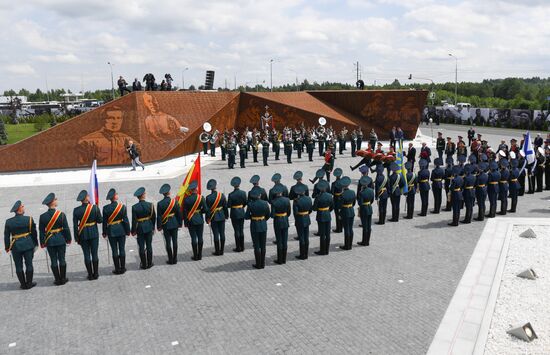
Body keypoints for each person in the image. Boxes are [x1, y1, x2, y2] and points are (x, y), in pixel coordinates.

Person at [39, 193, 71, 286]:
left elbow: (41, 232)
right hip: (61, 239)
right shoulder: (61, 215)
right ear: (52, 202)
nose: (57, 200)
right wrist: (68, 239)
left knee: (53, 260)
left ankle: (57, 280)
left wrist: (42, 243)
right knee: (62, 259)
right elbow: (66, 229)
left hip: (50, 241)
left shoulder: (43, 216)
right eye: (55, 199)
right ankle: (63, 278)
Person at [5, 200, 38, 289]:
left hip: (15, 246)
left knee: (18, 266)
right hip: (28, 244)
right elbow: (34, 233)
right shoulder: (29, 219)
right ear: (19, 208)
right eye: (22, 206)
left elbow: (6, 236)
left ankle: (23, 284)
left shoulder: (8, 222)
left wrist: (7, 247)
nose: (23, 207)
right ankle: (29, 283)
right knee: (29, 264)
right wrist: (36, 243)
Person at [73, 190, 102, 280]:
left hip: (83, 234)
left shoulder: (76, 210)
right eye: (88, 195)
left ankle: (90, 274)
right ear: (86, 198)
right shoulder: (94, 208)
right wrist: (97, 210)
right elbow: (100, 221)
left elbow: (75, 226)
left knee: (86, 255)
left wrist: (76, 238)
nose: (89, 196)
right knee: (94, 254)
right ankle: (96, 273)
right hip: (93, 233)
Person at [102, 188, 130, 274]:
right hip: (121, 229)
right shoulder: (122, 207)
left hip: (111, 231)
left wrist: (104, 232)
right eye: (117, 194)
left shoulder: (105, 208)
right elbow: (125, 220)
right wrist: (128, 231)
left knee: (114, 250)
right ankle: (123, 267)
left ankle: (117, 269)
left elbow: (104, 222)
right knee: (122, 249)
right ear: (115, 196)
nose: (117, 195)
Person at [245, 186, 271, 269]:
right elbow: (268, 215)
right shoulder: (265, 203)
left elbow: (246, 217)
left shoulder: (250, 204)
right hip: (263, 225)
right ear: (260, 195)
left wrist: (252, 217)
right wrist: (263, 219)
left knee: (256, 246)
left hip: (254, 226)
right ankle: (262, 263)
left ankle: (258, 264)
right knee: (263, 245)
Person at [156, 184, 183, 264]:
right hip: (174, 223)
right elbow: (179, 214)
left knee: (168, 242)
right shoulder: (174, 202)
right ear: (169, 192)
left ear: (163, 194)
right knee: (175, 241)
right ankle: (175, 258)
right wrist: (180, 223)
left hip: (165, 224)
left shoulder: (160, 203)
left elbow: (159, 217)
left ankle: (170, 259)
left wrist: (159, 226)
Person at [131, 187, 156, 268]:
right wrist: (153, 227)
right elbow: (153, 218)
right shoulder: (150, 205)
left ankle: (144, 264)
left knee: (141, 246)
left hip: (140, 228)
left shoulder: (134, 207)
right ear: (143, 195)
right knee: (149, 245)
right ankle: (149, 263)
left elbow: (134, 221)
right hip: (149, 226)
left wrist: (133, 231)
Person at [182, 181, 207, 261]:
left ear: (190, 190)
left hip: (190, 220)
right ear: (196, 189)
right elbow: (206, 209)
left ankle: (195, 256)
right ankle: (200, 255)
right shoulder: (201, 198)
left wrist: (185, 223)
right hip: (199, 219)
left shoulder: (186, 199)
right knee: (200, 237)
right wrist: (199, 211)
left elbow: (185, 213)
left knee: (193, 238)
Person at [205, 179, 228, 256]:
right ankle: (222, 250)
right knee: (222, 233)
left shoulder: (208, 198)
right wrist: (226, 216)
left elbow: (207, 210)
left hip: (213, 217)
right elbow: (225, 207)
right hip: (221, 216)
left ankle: (217, 251)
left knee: (215, 234)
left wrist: (207, 219)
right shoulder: (221, 195)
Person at [270, 185, 291, 264]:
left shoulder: (274, 201)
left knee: (279, 241)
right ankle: (284, 259)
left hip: (278, 222)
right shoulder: (287, 200)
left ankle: (280, 259)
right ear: (282, 192)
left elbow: (272, 215)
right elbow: (289, 213)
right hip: (285, 220)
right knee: (284, 241)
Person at [313, 180, 333, 255]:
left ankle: (322, 250)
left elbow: (314, 208)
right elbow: (332, 207)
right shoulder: (329, 196)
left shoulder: (318, 197)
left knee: (322, 234)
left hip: (321, 215)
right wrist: (327, 211)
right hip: (327, 215)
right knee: (327, 234)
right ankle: (327, 250)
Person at [293, 184, 312, 259]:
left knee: (301, 238)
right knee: (306, 237)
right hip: (307, 218)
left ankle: (302, 255)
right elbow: (310, 210)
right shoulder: (308, 199)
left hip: (300, 220)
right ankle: (306, 254)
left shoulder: (296, 201)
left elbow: (295, 213)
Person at [228, 177, 247, 252]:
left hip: (234, 213)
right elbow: (245, 202)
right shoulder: (243, 193)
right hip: (241, 212)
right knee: (241, 229)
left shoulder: (231, 194)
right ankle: (242, 246)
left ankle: (238, 247)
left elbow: (229, 205)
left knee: (236, 230)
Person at [338, 176, 356, 250]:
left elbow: (340, 206)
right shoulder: (352, 192)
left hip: (345, 212)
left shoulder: (342, 194)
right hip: (351, 211)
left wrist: (339, 214)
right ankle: (350, 244)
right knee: (350, 228)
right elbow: (354, 203)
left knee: (346, 229)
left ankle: (347, 245)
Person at [356, 175, 374, 246]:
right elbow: (372, 201)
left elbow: (360, 203)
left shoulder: (361, 192)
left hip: (364, 209)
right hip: (369, 208)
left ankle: (364, 241)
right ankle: (367, 241)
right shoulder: (371, 190)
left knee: (365, 226)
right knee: (369, 226)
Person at [331, 168, 343, 233]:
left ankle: (338, 228)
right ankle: (341, 226)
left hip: (336, 199)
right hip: (342, 198)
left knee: (337, 214)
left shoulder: (334, 183)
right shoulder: (343, 182)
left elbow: (332, 193)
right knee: (341, 213)